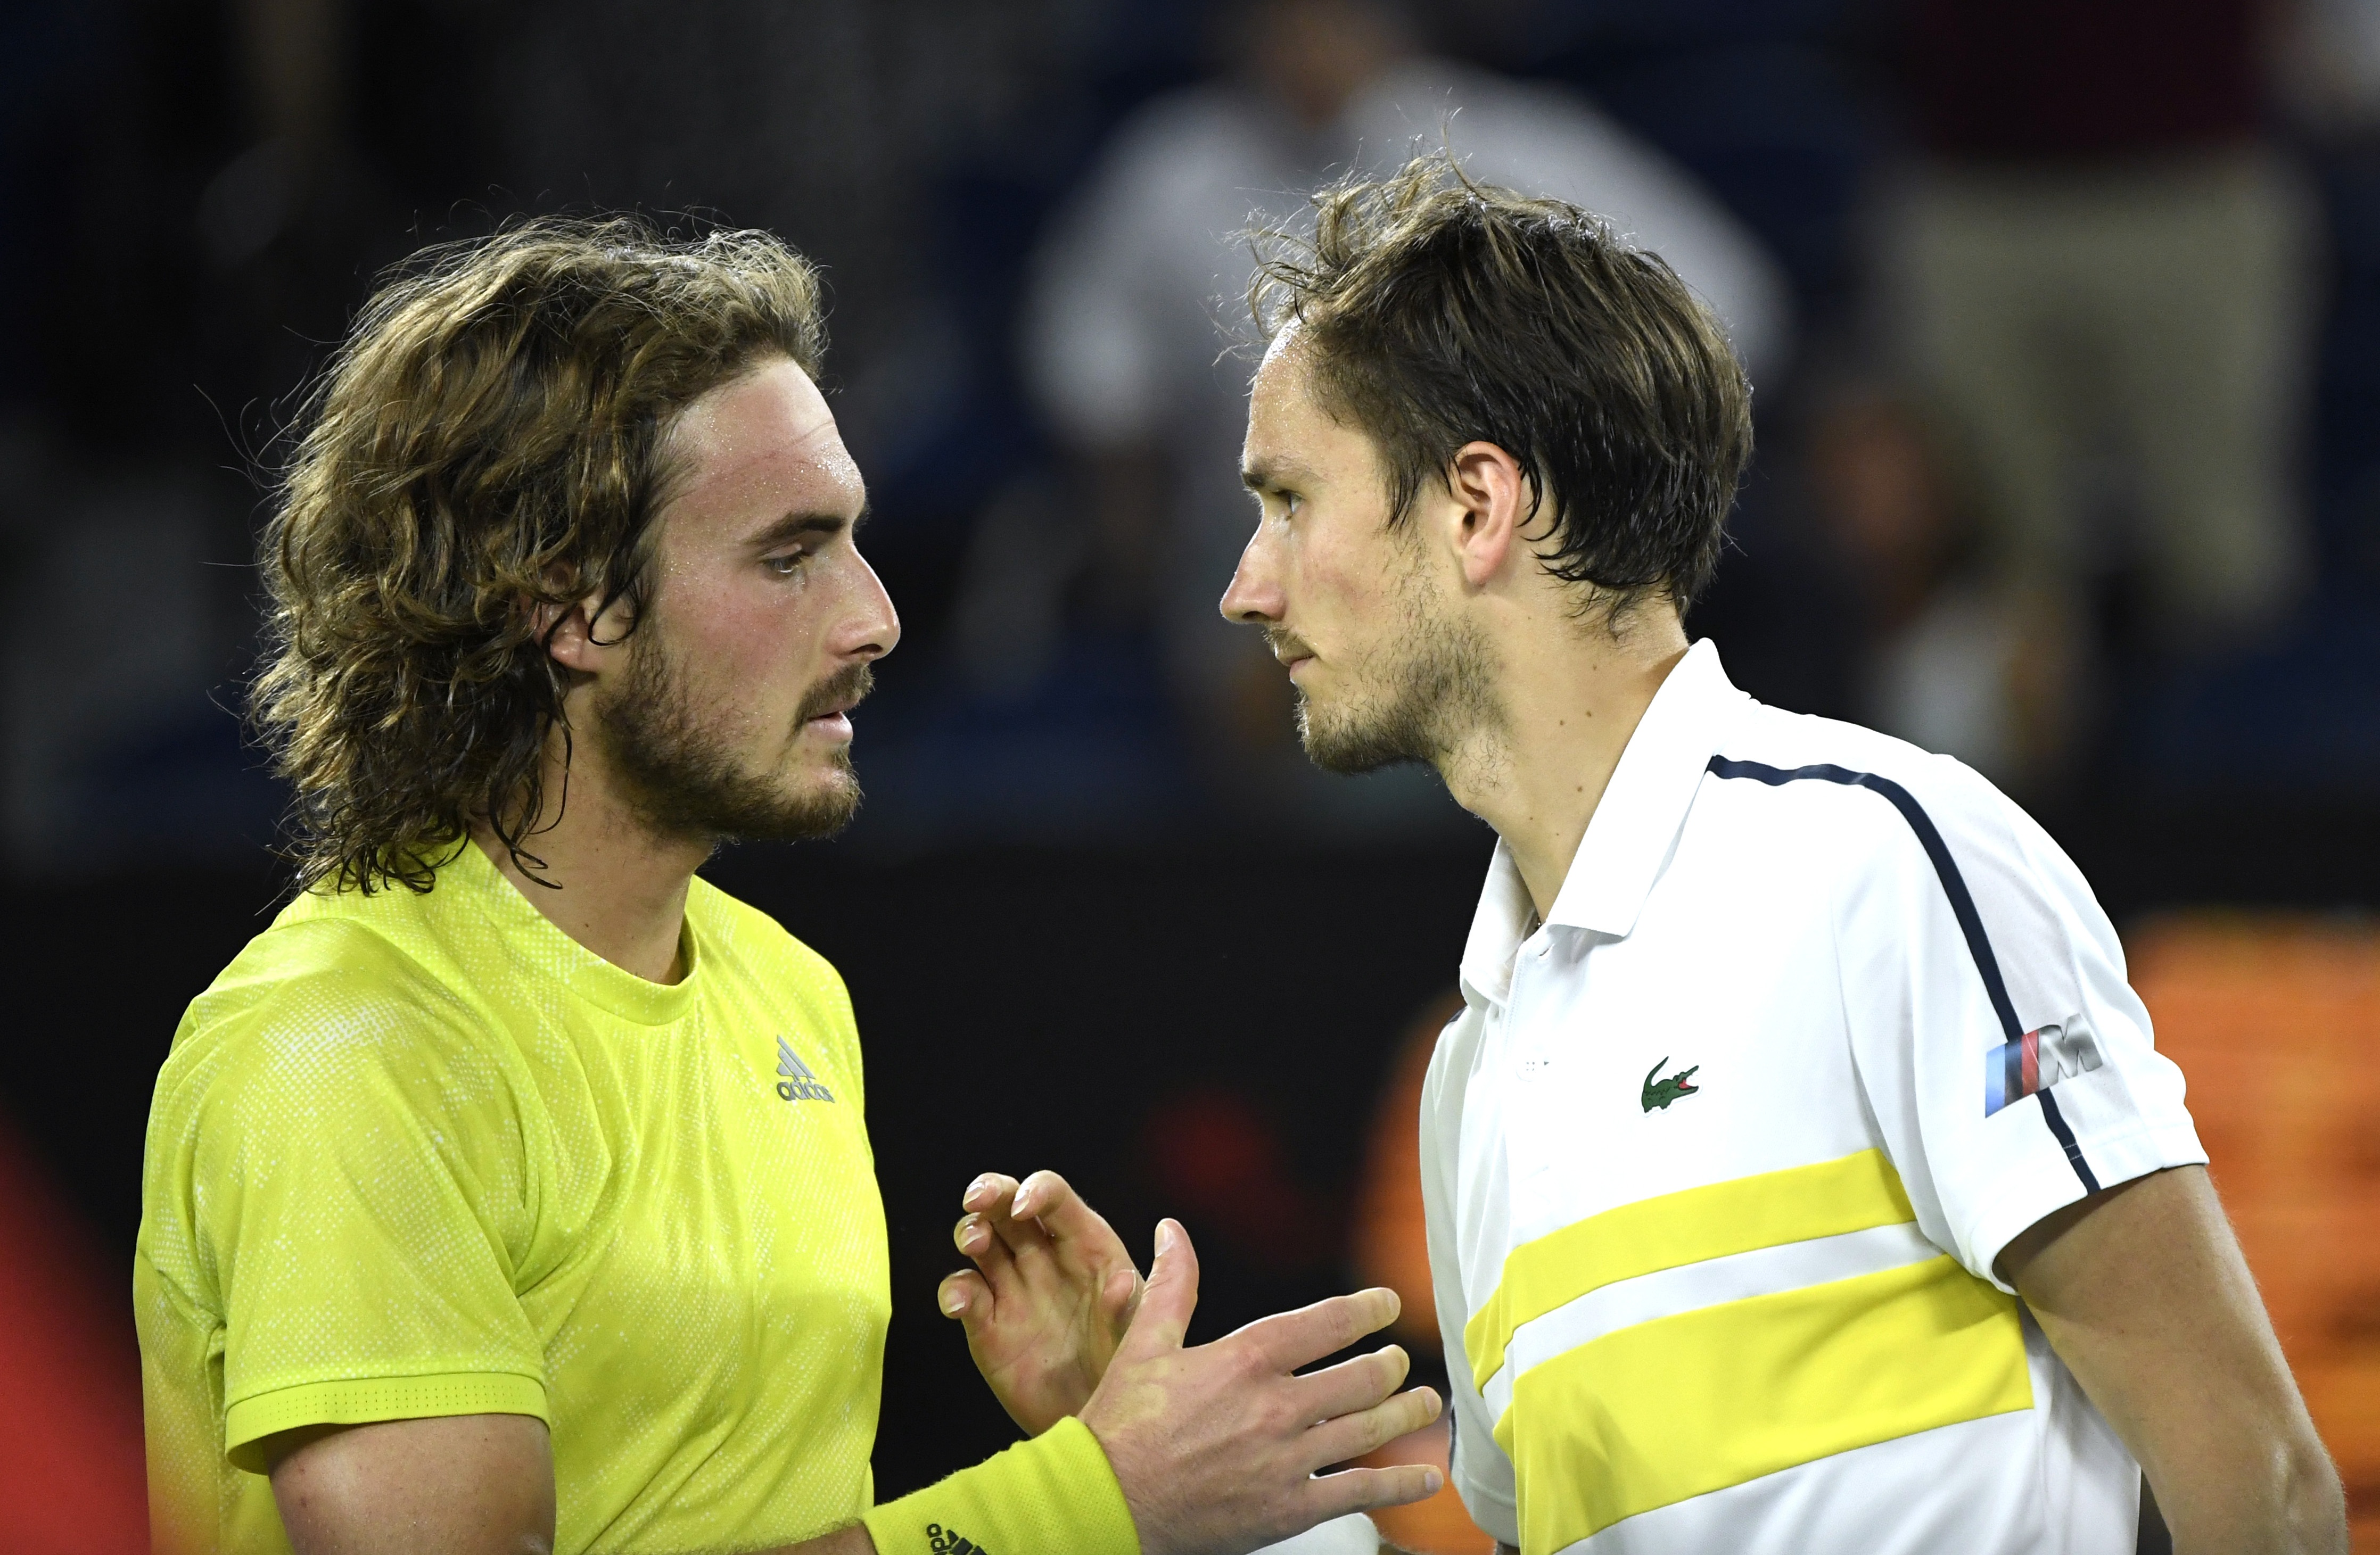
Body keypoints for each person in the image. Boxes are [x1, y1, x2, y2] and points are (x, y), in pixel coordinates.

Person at [958, 160, 2349, 1553]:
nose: (1243, 586)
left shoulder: (1883, 865)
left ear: (1478, 504)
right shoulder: (1474, 1072)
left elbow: (2260, 1484)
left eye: (1289, 502)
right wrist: (1140, 1470)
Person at [133, 217, 1446, 1555]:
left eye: (855, 542)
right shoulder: (345, 1054)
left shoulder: (787, 995)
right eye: (787, 553)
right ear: (573, 607)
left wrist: (1077, 1436)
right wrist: (1082, 1503)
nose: (873, 615)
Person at [1022, 0, 1788, 829]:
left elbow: (1732, 307)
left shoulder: (1510, 140)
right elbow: (1088, 365)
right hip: (1247, 540)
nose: (1305, 36)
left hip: (1488, 532)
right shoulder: (1173, 166)